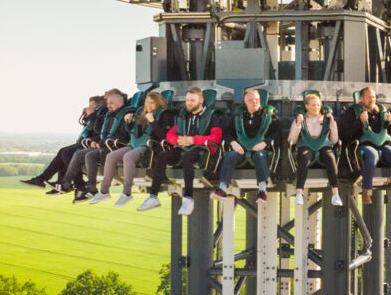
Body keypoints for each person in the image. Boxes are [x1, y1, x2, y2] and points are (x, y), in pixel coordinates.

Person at [138, 87, 223, 215]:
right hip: (182, 146)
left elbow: (216, 137)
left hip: (202, 149)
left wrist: (193, 140)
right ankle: (153, 197)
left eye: (192, 100)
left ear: (201, 100)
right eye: (187, 100)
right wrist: (178, 140)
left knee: (188, 158)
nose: (188, 103)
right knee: (162, 156)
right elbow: (170, 135)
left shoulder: (212, 115)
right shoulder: (183, 115)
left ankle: (188, 198)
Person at [91, 91, 173, 206]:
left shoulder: (164, 115)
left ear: (158, 104)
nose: (149, 106)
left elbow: (163, 136)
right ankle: (104, 191)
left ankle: (127, 193)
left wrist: (153, 121)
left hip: (150, 146)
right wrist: (128, 123)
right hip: (135, 144)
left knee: (128, 157)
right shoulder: (141, 113)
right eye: (147, 102)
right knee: (111, 156)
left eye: (153, 103)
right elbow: (133, 133)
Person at [340, 86, 391, 205]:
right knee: (372, 156)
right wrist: (359, 122)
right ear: (361, 99)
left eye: (373, 97)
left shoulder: (381, 111)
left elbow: (390, 134)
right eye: (369, 97)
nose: (372, 100)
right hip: (363, 144)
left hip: (382, 145)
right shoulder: (353, 112)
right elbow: (346, 134)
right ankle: (366, 191)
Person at [51, 93, 126, 202]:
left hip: (113, 147)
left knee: (90, 155)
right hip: (102, 144)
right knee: (78, 153)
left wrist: (103, 142)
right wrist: (96, 140)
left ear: (120, 103)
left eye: (111, 103)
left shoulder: (124, 116)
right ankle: (65, 183)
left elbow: (123, 136)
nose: (108, 105)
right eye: (108, 103)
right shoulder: (108, 116)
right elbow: (99, 131)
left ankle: (92, 188)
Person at [22, 95, 105, 188]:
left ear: (98, 107)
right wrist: (87, 116)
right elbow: (89, 127)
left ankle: (74, 183)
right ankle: (48, 179)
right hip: (87, 142)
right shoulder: (95, 115)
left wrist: (91, 115)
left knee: (67, 153)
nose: (88, 108)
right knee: (63, 151)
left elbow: (98, 129)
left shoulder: (102, 114)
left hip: (94, 144)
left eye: (91, 106)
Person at [212, 89, 278, 203]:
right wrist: (233, 143)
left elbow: (276, 133)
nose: (255, 102)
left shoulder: (269, 115)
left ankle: (262, 191)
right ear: (245, 101)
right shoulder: (238, 115)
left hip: (260, 149)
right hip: (240, 148)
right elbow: (227, 133)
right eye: (251, 100)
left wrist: (264, 143)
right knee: (231, 155)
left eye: (257, 99)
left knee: (260, 155)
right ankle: (222, 188)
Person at [287, 93, 342, 206]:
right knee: (304, 157)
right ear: (307, 106)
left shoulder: (326, 119)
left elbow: (334, 140)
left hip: (323, 146)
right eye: (312, 105)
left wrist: (332, 123)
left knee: (330, 157)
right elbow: (292, 140)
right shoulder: (301, 119)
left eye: (318, 105)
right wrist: (298, 125)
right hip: (307, 145)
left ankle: (335, 193)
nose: (316, 107)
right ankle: (299, 193)